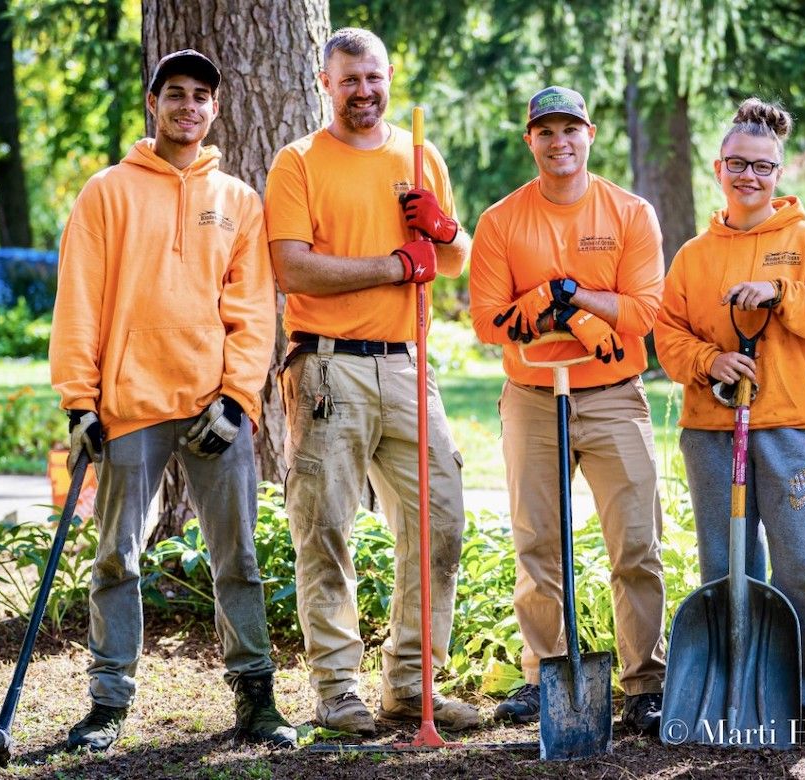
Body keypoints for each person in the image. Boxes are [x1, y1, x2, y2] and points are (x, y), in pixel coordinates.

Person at [49, 49, 295, 752]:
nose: (189, 106)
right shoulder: (106, 192)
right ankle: (108, 703)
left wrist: (237, 397)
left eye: (201, 97)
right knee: (118, 559)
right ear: (152, 102)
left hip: (214, 408)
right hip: (129, 404)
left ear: (215, 110)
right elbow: (79, 302)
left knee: (237, 559)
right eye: (176, 94)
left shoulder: (239, 201)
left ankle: (255, 700)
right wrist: (80, 401)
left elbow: (253, 313)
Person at [262, 28, 477, 736]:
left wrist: (442, 230)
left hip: (409, 365)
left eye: (375, 78)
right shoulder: (298, 163)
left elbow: (452, 260)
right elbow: (292, 268)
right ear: (326, 83)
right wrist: (393, 264)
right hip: (328, 366)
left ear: (390, 77)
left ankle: (413, 684)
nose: (365, 91)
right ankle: (337, 689)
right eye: (350, 80)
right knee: (325, 527)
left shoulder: (419, 155)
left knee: (440, 516)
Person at [469, 85, 667, 735]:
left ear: (591, 134)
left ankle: (645, 682)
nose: (560, 142)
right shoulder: (502, 221)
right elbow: (488, 321)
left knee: (635, 544)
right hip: (531, 399)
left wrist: (569, 301)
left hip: (614, 398)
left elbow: (642, 313)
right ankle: (543, 674)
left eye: (570, 129)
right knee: (538, 544)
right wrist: (576, 312)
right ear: (530, 140)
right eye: (546, 131)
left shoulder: (630, 213)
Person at [654, 98, 805, 741]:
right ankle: (734, 693)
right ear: (719, 168)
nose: (750, 176)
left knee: (802, 568)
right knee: (727, 563)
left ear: (778, 171)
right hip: (713, 432)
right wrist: (713, 361)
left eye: (763, 166)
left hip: (792, 428)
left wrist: (783, 293)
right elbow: (669, 336)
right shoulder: (693, 256)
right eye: (738, 164)